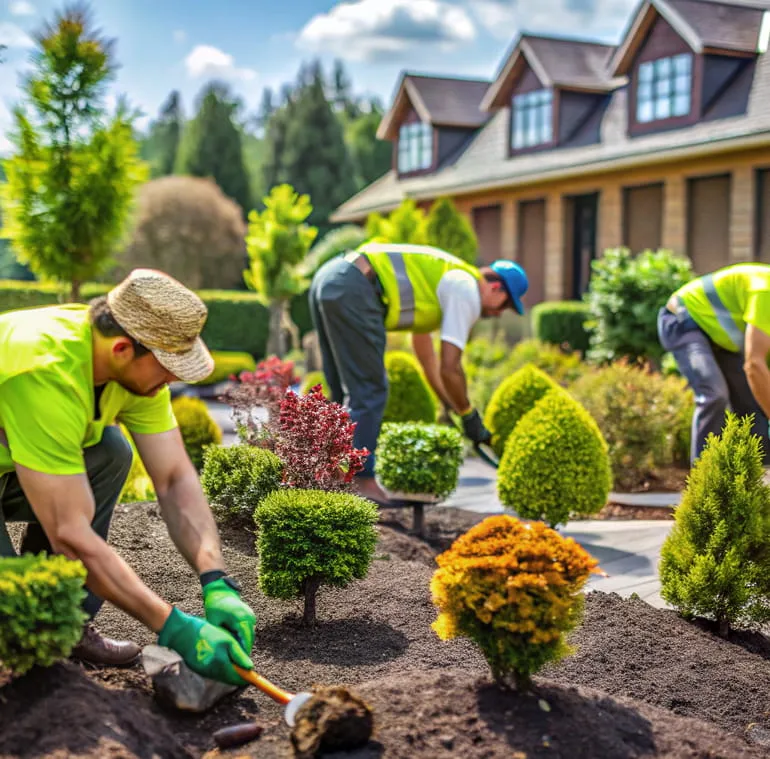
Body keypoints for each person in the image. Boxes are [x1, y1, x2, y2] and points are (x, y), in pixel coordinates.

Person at [0, 268, 257, 687]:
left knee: (109, 451)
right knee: (12, 615)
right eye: (169, 368)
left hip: (11, 466)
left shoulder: (131, 375)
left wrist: (216, 579)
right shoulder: (45, 369)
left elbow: (174, 478)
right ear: (122, 348)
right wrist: (173, 626)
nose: (174, 380)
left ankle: (68, 629)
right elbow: (69, 533)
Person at [308, 241, 529, 505]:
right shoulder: (467, 290)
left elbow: (427, 359)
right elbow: (451, 366)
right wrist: (468, 415)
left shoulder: (441, 283)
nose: (497, 314)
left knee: (341, 389)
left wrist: (449, 404)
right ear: (496, 287)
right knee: (370, 390)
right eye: (505, 305)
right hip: (356, 286)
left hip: (332, 276)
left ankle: (328, 477)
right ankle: (362, 481)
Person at [657, 262, 770, 465]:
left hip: (722, 340)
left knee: (754, 406)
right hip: (685, 318)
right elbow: (754, 364)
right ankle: (703, 481)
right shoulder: (766, 292)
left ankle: (761, 479)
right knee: (714, 394)